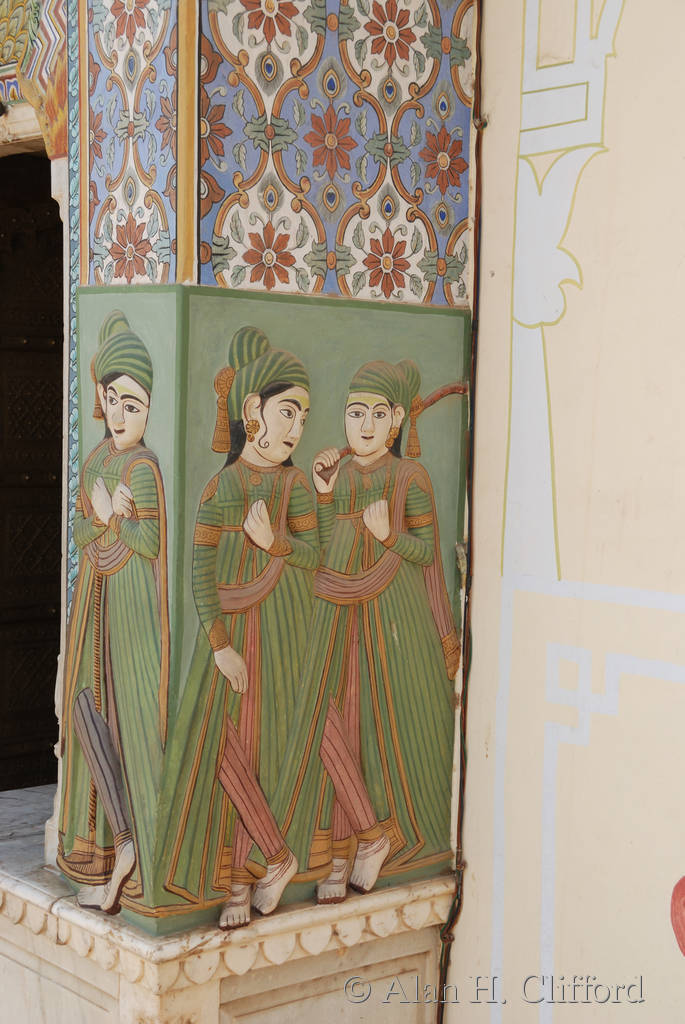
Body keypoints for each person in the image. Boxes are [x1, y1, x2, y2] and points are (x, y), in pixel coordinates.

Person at [260, 359, 460, 907]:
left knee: (366, 729)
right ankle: (352, 843)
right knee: (325, 718)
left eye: (376, 414)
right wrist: (324, 494)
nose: (364, 425)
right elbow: (328, 546)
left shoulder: (409, 477)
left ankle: (357, 849)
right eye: (354, 413)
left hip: (388, 621)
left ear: (395, 420)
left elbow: (426, 555)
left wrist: (390, 535)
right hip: (336, 611)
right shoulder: (342, 473)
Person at [161, 326, 320, 928]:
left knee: (257, 750)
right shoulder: (221, 487)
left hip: (280, 633)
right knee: (214, 746)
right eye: (287, 412)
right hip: (228, 638)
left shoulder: (294, 486)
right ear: (253, 410)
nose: (296, 428)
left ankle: (247, 876)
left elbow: (314, 557)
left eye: (303, 417)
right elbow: (200, 576)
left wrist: (274, 542)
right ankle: (265, 861)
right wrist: (220, 645)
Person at [58, 311, 169, 915]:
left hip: (129, 609)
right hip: (95, 602)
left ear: (148, 408)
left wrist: (117, 520)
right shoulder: (98, 459)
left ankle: (131, 853)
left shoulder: (144, 467)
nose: (122, 414)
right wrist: (101, 518)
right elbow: (79, 532)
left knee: (127, 723)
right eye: (113, 401)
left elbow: (152, 545)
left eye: (134, 404)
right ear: (101, 402)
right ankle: (117, 843)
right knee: (84, 708)